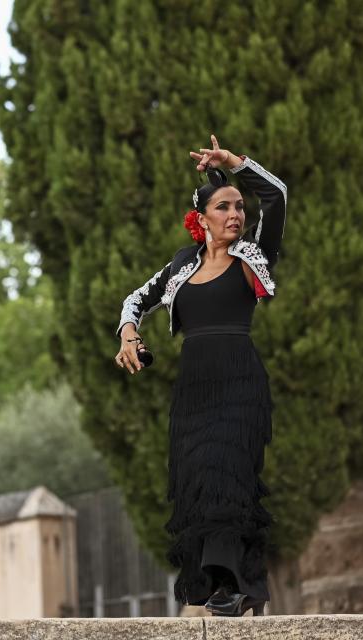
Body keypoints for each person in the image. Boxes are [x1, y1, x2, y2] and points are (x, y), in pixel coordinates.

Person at [112, 134, 287, 617]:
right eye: (224, 207)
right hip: (193, 389)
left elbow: (277, 196)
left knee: (229, 475)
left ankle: (235, 583)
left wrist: (235, 163)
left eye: (238, 207)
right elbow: (134, 302)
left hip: (239, 380)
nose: (236, 214)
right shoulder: (179, 267)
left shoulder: (255, 256)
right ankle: (226, 584)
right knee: (198, 479)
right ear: (201, 217)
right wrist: (129, 336)